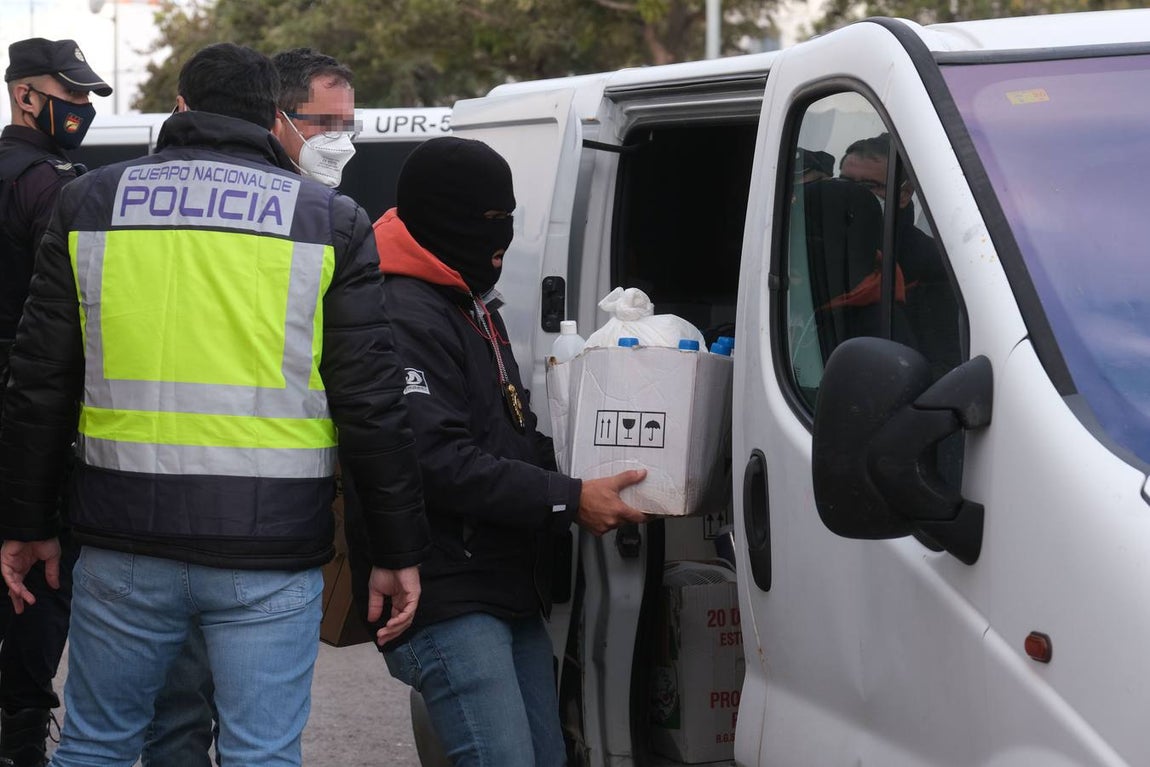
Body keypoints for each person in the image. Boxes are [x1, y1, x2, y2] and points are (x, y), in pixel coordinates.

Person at [0, 42, 429, 767]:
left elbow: (40, 383)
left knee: (97, 745)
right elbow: (372, 406)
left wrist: (26, 522)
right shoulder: (329, 220)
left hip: (123, 538)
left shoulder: (89, 202)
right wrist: (394, 550)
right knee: (262, 753)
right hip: (269, 548)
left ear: (181, 107)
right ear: (272, 116)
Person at [357, 135, 648, 766]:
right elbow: (435, 460)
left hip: (502, 581)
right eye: (489, 218)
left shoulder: (465, 299)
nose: (503, 235)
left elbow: (511, 433)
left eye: (509, 217)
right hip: (447, 590)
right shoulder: (401, 308)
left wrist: (603, 472)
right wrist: (569, 499)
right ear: (442, 216)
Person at [138, 46, 365, 767]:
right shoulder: (315, 221)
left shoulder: (333, 222)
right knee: (221, 732)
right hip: (236, 527)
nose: (340, 141)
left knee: (191, 728)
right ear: (277, 118)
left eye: (349, 125)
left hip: (220, 520)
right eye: (323, 123)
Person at [0, 38, 109, 767]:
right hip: (35, 405)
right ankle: (21, 724)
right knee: (40, 568)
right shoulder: (51, 186)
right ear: (24, 95)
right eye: (69, 94)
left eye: (87, 96)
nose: (81, 108)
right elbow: (77, 312)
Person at [839, 133, 960, 374]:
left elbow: (943, 365)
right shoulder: (813, 240)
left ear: (904, 194)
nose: (853, 194)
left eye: (869, 186)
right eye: (845, 182)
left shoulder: (930, 263)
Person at [270, 47, 357, 189]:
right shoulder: (247, 187)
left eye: (346, 124)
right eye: (326, 121)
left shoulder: (335, 201)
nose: (340, 137)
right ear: (278, 119)